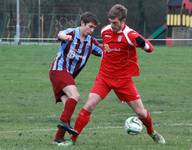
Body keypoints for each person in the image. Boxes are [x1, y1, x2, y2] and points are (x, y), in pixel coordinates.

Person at [62, 4, 166, 147]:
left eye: (115, 23)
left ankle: (152, 132)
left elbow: (149, 48)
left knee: (141, 113)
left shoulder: (130, 35)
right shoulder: (105, 31)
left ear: (123, 21)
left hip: (123, 80)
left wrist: (143, 45)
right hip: (104, 77)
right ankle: (72, 141)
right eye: (110, 22)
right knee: (89, 105)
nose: (112, 25)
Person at [49, 11, 102, 146]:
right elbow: (60, 34)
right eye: (89, 26)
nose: (91, 30)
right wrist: (64, 37)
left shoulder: (90, 42)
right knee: (75, 96)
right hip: (58, 70)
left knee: (69, 104)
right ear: (82, 23)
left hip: (66, 75)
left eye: (94, 28)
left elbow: (104, 52)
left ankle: (58, 138)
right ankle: (64, 122)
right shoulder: (71, 33)